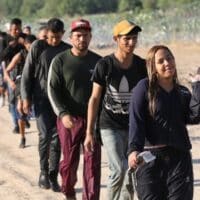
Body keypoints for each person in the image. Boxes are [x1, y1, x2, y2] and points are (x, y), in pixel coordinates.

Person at [84, 19, 147, 200]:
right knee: (118, 169)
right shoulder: (105, 65)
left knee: (131, 170)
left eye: (134, 38)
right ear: (116, 39)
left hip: (133, 126)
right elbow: (94, 98)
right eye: (126, 38)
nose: (131, 42)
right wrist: (89, 132)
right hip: (109, 125)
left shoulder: (141, 66)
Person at [128, 45, 200, 200]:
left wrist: (197, 86)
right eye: (161, 61)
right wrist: (133, 149)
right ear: (153, 67)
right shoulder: (143, 88)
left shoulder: (182, 91)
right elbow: (136, 121)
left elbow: (194, 117)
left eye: (169, 58)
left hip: (179, 158)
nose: (167, 63)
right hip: (150, 158)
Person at [48, 19, 101, 200]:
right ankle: (69, 192)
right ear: (71, 37)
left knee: (92, 164)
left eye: (85, 35)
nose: (82, 39)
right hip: (70, 120)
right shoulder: (60, 61)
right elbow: (52, 90)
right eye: (78, 36)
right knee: (69, 163)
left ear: (90, 37)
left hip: (92, 120)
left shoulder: (98, 61)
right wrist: (62, 114)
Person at [21, 18, 71, 192]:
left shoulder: (66, 50)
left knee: (58, 139)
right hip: (41, 98)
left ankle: (53, 174)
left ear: (62, 34)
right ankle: (43, 171)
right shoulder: (37, 47)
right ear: (46, 33)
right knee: (44, 136)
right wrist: (25, 97)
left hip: (59, 101)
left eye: (57, 37)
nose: (54, 40)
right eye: (51, 37)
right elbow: (27, 74)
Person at [4, 34, 36, 148]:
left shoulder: (39, 55)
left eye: (33, 46)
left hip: (35, 83)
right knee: (20, 109)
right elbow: (7, 71)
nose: (31, 48)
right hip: (21, 82)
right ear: (25, 45)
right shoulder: (20, 55)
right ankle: (22, 137)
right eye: (29, 46)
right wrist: (10, 82)